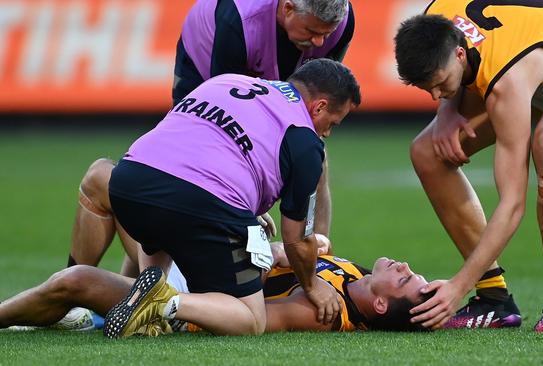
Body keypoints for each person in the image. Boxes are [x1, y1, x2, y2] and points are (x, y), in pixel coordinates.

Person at [67, 0, 355, 276]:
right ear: (288, 8)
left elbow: (320, 91)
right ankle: (315, 265)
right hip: (210, 74)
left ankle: (97, 293)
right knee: (208, 154)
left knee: (103, 177)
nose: (319, 43)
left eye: (326, 34)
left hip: (199, 259)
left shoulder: (339, 23)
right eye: (313, 32)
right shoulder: (238, 21)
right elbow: (223, 119)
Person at [394, 0, 543, 332]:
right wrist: (447, 110)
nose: (434, 95)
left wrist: (458, 286)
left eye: (440, 83)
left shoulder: (507, 81)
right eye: (425, 88)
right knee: (426, 152)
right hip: (527, 60)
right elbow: (449, 75)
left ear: (459, 55)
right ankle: (494, 299)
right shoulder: (434, 23)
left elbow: (512, 205)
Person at [96, 58, 360, 338]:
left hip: (127, 184)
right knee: (251, 318)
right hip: (195, 204)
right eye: (332, 123)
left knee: (162, 222)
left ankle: (145, 301)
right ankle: (166, 300)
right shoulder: (305, 141)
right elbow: (296, 239)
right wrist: (312, 287)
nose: (328, 133)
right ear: (318, 106)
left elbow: (195, 143)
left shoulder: (227, 80)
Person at [0, 241, 430, 333]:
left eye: (405, 279)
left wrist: (269, 257)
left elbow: (252, 316)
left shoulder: (322, 313)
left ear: (378, 304)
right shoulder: (357, 278)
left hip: (188, 303)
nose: (405, 265)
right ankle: (87, 316)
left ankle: (101, 309)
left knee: (75, 281)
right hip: (204, 271)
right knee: (106, 181)